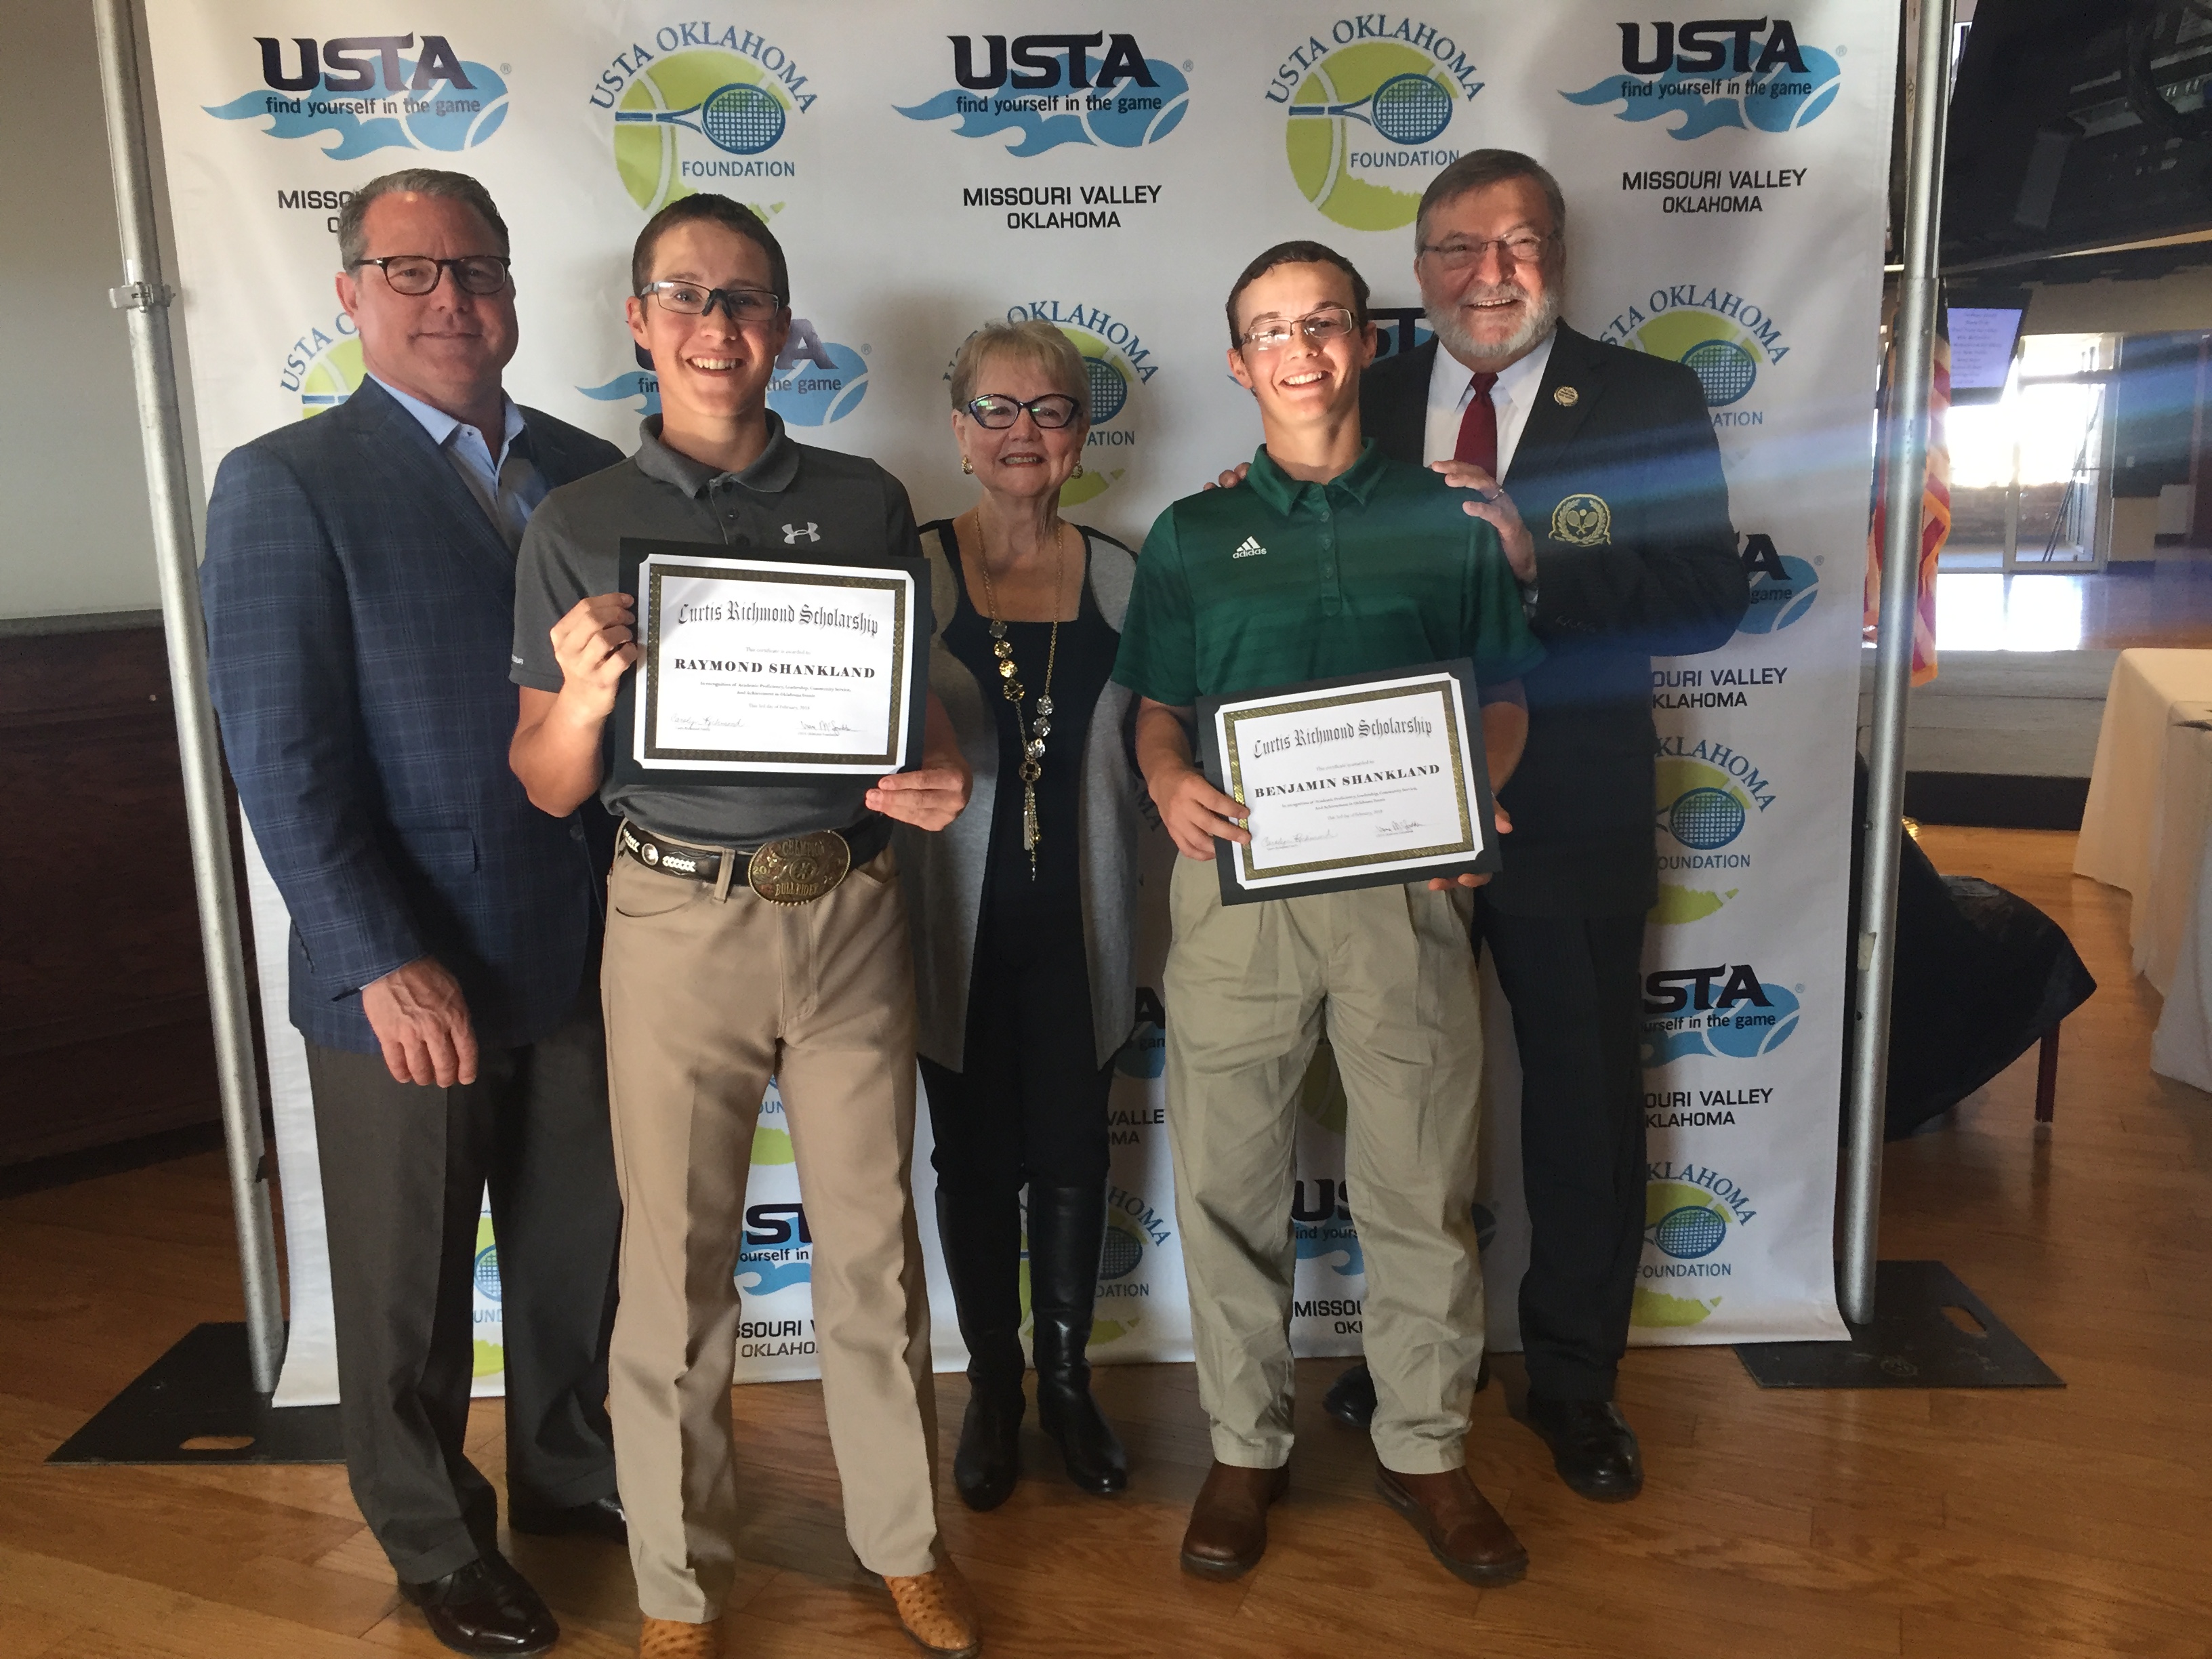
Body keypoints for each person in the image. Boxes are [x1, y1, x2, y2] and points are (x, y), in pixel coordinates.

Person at [506, 193, 979, 1659]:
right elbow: (541, 780)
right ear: (640, 324)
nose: (719, 327)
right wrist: (582, 702)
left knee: (873, 1257)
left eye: (748, 300)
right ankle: (678, 1585)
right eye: (687, 298)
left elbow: (907, 711)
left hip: (846, 910)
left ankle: (901, 1545)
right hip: (671, 916)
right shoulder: (573, 524)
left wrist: (942, 764)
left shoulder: (864, 500)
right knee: (678, 1266)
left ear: (784, 329)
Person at [202, 168, 626, 1659]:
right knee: (405, 1291)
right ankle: (437, 1540)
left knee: (582, 1254)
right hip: (408, 961)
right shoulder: (286, 480)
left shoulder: (589, 473)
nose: (453, 300)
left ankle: (573, 1476)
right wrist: (381, 954)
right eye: (413, 271)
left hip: (587, 949)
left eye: (480, 271)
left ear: (513, 289)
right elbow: (281, 754)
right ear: (351, 295)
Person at [1313, 150, 1747, 1501]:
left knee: (1577, 1104)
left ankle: (1573, 1381)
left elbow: (1703, 601)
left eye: (1518, 245)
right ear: (1421, 265)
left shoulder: (1645, 394)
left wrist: (1535, 567)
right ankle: (1407, 1353)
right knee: (1401, 1105)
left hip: (1570, 814)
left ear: (1559, 256)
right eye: (1458, 247)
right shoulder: (1360, 393)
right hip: (1387, 811)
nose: (1487, 274)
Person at [1115, 241, 1545, 1589]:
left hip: (1405, 893)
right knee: (1227, 1184)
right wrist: (1169, 779)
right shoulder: (1192, 531)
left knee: (1420, 1183)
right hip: (1235, 895)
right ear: (1240, 363)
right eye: (1270, 332)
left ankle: (1427, 1453)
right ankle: (1247, 1449)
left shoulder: (1453, 515)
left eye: (1324, 324)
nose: (1301, 352)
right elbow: (1158, 709)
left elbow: (1513, 693)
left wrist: (1479, 789)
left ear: (1367, 343)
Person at [900, 320, 1145, 1513]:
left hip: (1083, 929)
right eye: (995, 410)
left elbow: (1175, 737)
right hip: (952, 933)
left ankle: (1067, 1384)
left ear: (1081, 435)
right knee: (971, 1162)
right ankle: (992, 1390)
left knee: (1072, 1155)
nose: (1021, 434)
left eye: (1048, 412)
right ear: (957, 431)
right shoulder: (905, 571)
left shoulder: (1129, 577)